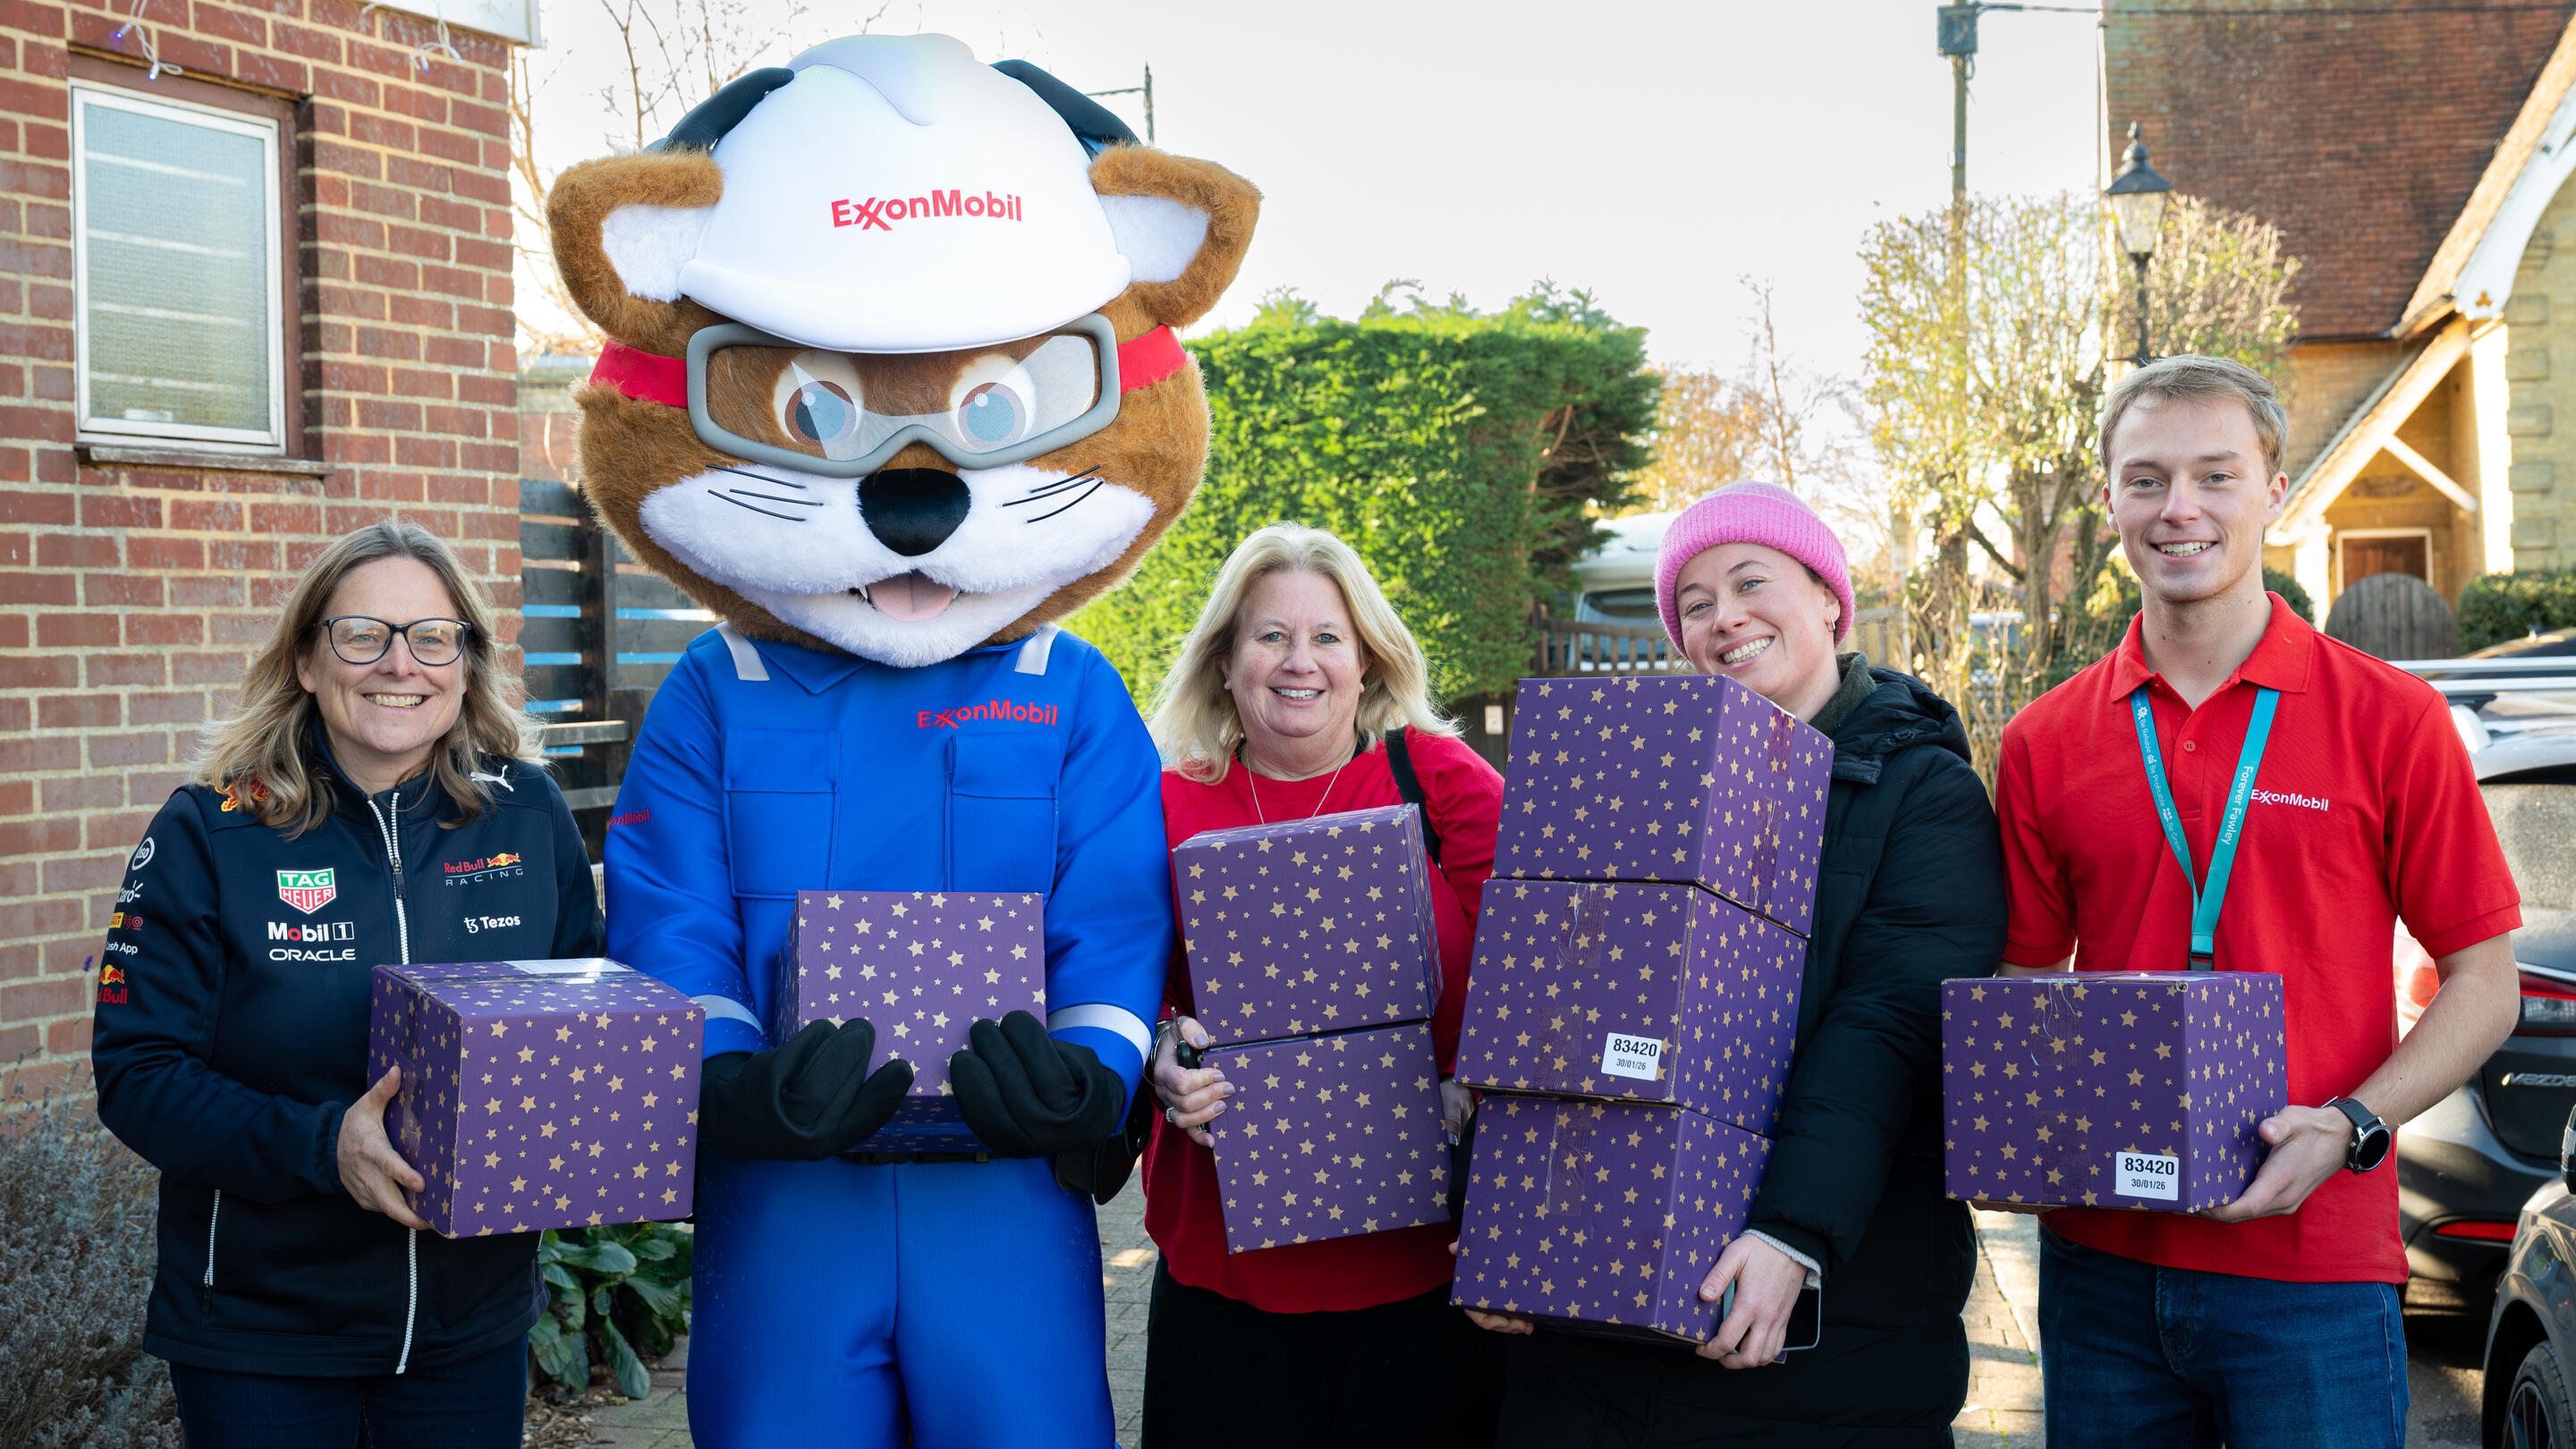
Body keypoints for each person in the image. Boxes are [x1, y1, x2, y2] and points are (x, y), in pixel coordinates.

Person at [1993, 356, 2522, 1448]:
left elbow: (2486, 984)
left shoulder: (2394, 718)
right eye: (2146, 480)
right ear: (2110, 504)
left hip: (2316, 1272)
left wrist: (2353, 1125)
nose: (2179, 509)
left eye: (2215, 475)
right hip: (2102, 1265)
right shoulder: (2044, 740)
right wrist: (2015, 1130)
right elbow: (2028, 982)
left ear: (2276, 490)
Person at [1470, 481, 2005, 1447]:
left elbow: (1887, 1023)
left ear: (1831, 601)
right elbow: (1550, 1000)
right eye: (1696, 603)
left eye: (1751, 582)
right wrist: (1501, 1214)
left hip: (1817, 1328)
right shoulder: (1653, 777)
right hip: (1592, 1342)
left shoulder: (1925, 790)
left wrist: (1796, 1231)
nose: (1726, 618)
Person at [89, 521, 604, 1448]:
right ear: (305, 659)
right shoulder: (210, 833)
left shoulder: (527, 814)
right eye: (362, 634)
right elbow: (138, 1075)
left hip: (469, 1331)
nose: (398, 664)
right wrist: (329, 1147)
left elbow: (573, 1029)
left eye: (432, 636)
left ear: (465, 661)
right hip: (263, 1339)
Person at [1140, 522, 1507, 1448]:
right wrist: (1161, 1054)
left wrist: (1482, 1079)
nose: (1298, 661)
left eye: (1326, 638)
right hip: (1226, 1265)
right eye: (1270, 636)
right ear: (1225, 661)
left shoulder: (1438, 783)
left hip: (1425, 1267)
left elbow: (1542, 964)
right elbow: (1119, 981)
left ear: (1367, 662)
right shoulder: (1167, 802)